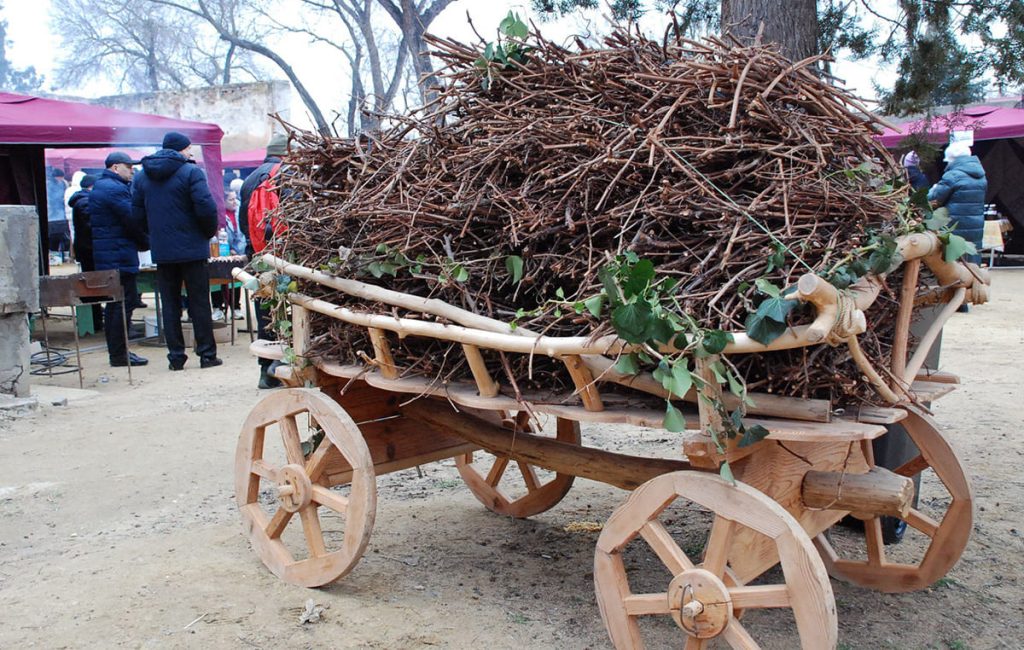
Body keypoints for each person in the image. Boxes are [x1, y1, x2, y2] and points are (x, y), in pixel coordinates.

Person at [132, 131, 222, 370]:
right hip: (193, 249)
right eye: (189, 148)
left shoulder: (141, 177)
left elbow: (137, 214)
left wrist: (152, 238)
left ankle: (175, 357)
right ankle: (207, 355)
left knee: (169, 304)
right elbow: (205, 207)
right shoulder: (191, 172)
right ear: (181, 150)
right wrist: (206, 233)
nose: (191, 152)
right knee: (200, 303)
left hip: (162, 251)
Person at [90, 153, 149, 367]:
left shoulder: (104, 186)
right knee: (121, 305)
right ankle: (119, 354)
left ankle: (120, 352)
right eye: (128, 166)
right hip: (118, 256)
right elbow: (131, 219)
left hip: (113, 254)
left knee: (119, 305)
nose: (132, 170)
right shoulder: (114, 189)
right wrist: (146, 241)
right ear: (116, 167)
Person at [239, 133, 287, 388]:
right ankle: (281, 365)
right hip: (284, 254)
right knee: (290, 308)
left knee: (265, 308)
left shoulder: (249, 179)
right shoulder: (286, 173)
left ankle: (265, 372)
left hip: (258, 254)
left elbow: (241, 222)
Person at [928, 141, 986, 263]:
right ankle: (974, 279)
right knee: (972, 257)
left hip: (955, 226)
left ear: (952, 158)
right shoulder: (981, 176)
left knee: (954, 263)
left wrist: (933, 189)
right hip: (976, 226)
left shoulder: (952, 175)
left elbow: (934, 200)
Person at [68, 174, 103, 330]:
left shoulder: (81, 201)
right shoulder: (84, 203)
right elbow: (91, 226)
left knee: (92, 286)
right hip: (89, 249)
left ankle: (95, 319)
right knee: (92, 286)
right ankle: (94, 322)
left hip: (86, 248)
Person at [46, 167, 71, 259]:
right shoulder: (48, 185)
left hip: (61, 216)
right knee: (54, 239)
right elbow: (50, 200)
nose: (61, 179)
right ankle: (55, 256)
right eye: (60, 177)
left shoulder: (63, 184)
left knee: (63, 238)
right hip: (52, 217)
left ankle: (63, 256)